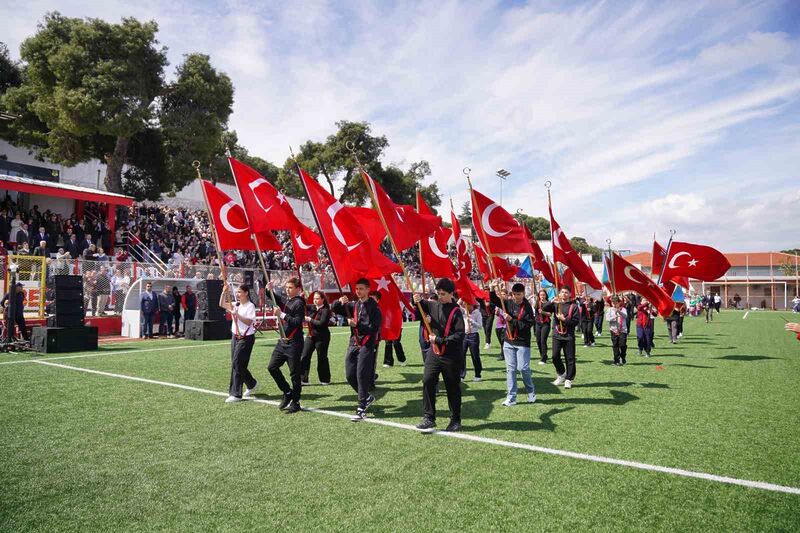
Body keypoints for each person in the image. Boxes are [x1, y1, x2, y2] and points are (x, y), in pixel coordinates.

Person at [412, 278, 465, 431]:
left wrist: (440, 339)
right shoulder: (433, 305)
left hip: (451, 356)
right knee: (428, 380)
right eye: (438, 293)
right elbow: (420, 308)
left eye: (443, 294)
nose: (440, 296)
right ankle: (429, 417)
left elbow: (459, 336)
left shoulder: (457, 312)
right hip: (434, 354)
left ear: (451, 294)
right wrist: (416, 300)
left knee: (452, 387)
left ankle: (455, 419)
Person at [332, 278, 381, 422]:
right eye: (356, 289)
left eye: (361, 289)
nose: (358, 291)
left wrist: (357, 325)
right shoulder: (353, 305)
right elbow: (335, 308)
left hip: (367, 345)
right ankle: (366, 397)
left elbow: (374, 328)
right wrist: (339, 301)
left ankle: (361, 408)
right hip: (353, 343)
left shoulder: (374, 308)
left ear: (367, 290)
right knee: (349, 374)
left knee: (361, 375)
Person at [490, 281, 536, 406]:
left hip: (522, 342)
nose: (517, 297)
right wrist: (492, 289)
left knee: (523, 369)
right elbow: (494, 300)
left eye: (519, 294)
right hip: (508, 341)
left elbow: (527, 325)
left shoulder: (528, 308)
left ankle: (531, 391)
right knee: (510, 370)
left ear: (524, 293)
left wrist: (512, 320)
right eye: (515, 294)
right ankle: (511, 397)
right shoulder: (508, 303)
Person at [266, 277, 306, 414]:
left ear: (298, 289)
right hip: (283, 341)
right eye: (286, 287)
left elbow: (297, 322)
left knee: (295, 374)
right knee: (272, 367)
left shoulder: (299, 303)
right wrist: (268, 289)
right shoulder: (287, 301)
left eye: (290, 288)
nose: (287, 290)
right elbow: (275, 298)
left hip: (294, 342)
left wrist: (281, 314)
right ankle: (287, 392)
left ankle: (296, 402)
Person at [220, 283, 258, 403]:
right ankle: (252, 384)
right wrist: (224, 292)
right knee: (237, 363)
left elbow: (248, 322)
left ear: (246, 293)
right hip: (235, 336)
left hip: (246, 338)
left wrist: (237, 314)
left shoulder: (250, 306)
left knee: (237, 363)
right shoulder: (235, 304)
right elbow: (221, 304)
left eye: (240, 292)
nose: (237, 294)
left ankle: (236, 394)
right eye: (236, 292)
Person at [542, 286, 581, 389]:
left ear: (570, 294)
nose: (564, 294)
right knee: (555, 356)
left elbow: (576, 322)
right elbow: (544, 308)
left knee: (570, 358)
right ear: (559, 294)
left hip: (569, 336)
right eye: (562, 292)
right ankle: (561, 373)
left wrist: (564, 319)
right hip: (557, 335)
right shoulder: (556, 305)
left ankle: (569, 379)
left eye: (566, 292)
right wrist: (551, 301)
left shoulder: (574, 306)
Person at [301, 291, 332, 385]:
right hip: (311, 335)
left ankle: (325, 379)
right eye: (314, 298)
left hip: (322, 336)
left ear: (323, 299)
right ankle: (303, 378)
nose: (315, 300)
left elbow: (322, 323)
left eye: (317, 298)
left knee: (321, 357)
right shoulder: (312, 307)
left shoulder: (326, 310)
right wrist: (302, 298)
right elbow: (303, 306)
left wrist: (310, 320)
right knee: (305, 355)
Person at [459, 298, 483, 382]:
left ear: (473, 305)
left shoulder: (477, 313)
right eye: (466, 304)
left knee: (475, 355)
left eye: (469, 304)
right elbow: (456, 306)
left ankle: (478, 374)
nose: (467, 306)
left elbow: (480, 326)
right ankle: (461, 375)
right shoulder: (464, 312)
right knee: (461, 355)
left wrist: (472, 321)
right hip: (464, 335)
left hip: (473, 335)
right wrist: (462, 298)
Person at [606, 295, 628, 365]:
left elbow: (625, 316)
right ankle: (616, 360)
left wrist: (619, 312)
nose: (614, 304)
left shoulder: (623, 309)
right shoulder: (609, 310)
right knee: (615, 345)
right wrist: (614, 317)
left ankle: (623, 357)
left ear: (618, 302)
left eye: (615, 302)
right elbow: (607, 319)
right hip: (613, 329)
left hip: (622, 330)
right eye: (613, 302)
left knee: (622, 345)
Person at [534, 289, 551, 365]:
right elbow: (534, 308)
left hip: (545, 323)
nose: (542, 296)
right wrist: (535, 299)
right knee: (538, 341)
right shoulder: (537, 303)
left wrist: (543, 312)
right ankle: (543, 355)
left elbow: (550, 314)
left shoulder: (548, 303)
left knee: (543, 340)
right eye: (541, 295)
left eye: (543, 295)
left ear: (546, 295)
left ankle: (543, 358)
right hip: (538, 323)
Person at [493, 292, 508, 361]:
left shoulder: (508, 303)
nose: (503, 295)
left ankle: (503, 354)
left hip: (506, 325)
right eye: (501, 294)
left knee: (503, 340)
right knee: (501, 341)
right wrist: (497, 312)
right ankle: (504, 353)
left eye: (504, 294)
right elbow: (497, 314)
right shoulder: (498, 304)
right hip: (498, 325)